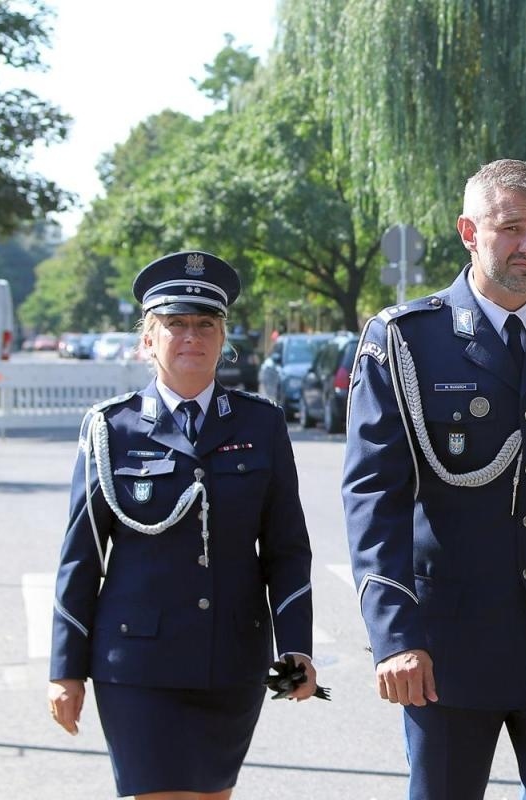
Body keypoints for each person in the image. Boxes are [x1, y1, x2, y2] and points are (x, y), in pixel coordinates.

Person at [341, 159, 526, 799]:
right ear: (468, 232)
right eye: (512, 228)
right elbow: (374, 496)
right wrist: (395, 636)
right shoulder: (404, 340)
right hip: (450, 641)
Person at [47, 251, 318, 799]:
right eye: (175, 324)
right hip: (137, 664)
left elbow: (287, 548)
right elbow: (81, 554)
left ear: (223, 339)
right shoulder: (110, 428)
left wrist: (295, 648)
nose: (191, 336)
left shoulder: (260, 423)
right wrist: (64, 669)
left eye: (205, 325)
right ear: (148, 340)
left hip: (232, 662)